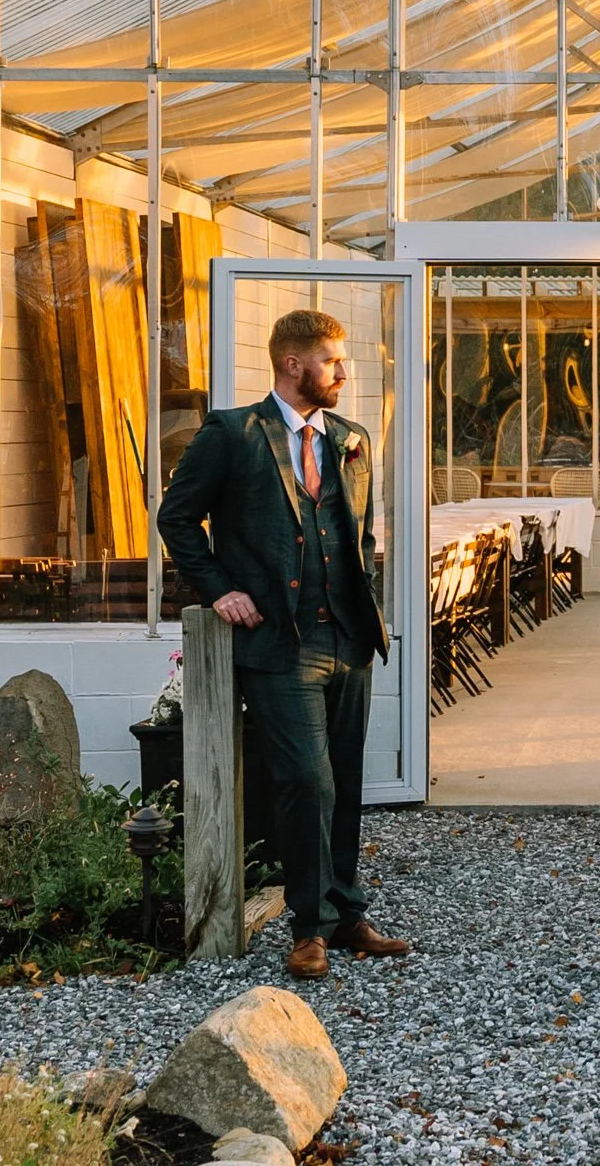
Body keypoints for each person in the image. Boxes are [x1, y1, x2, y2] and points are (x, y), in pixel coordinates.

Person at [158, 308, 412, 981]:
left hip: (349, 639)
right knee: (306, 779)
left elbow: (361, 540)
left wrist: (370, 604)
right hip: (280, 644)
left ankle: (347, 914)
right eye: (332, 360)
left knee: (346, 782)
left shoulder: (350, 440)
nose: (343, 372)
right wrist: (218, 589)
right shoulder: (233, 434)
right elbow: (176, 518)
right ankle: (308, 927)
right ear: (293, 364)